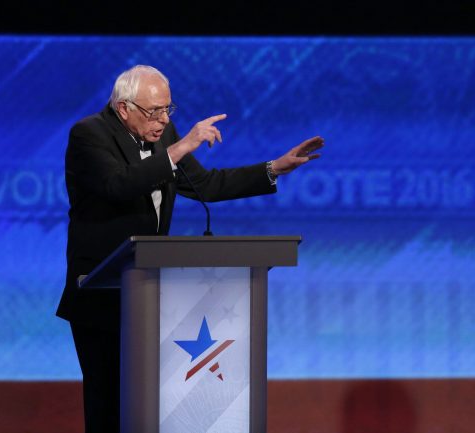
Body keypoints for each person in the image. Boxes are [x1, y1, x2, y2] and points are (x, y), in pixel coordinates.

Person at [56, 65, 324, 432]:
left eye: (168, 109)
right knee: (109, 409)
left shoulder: (162, 136)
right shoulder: (89, 135)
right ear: (123, 109)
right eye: (155, 111)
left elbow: (206, 185)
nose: (164, 119)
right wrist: (179, 148)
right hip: (100, 295)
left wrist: (273, 168)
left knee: (152, 409)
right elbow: (118, 185)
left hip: (148, 297)